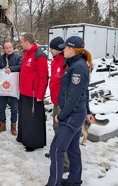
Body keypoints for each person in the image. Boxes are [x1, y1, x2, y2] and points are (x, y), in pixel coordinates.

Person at [46, 36, 95, 186]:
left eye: (65, 48)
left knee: (56, 150)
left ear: (72, 50)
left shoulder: (78, 68)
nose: (63, 50)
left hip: (71, 116)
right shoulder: (75, 64)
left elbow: (73, 98)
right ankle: (74, 180)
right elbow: (84, 91)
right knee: (73, 149)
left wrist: (61, 116)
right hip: (76, 114)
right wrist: (87, 111)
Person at [16, 32, 49, 152]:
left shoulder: (39, 55)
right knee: (24, 118)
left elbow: (44, 77)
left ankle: (32, 142)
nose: (20, 44)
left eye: (22, 42)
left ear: (27, 42)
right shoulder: (26, 54)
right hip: (24, 91)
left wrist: (41, 95)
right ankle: (23, 137)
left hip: (34, 94)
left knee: (32, 120)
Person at [46, 36, 70, 172]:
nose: (50, 50)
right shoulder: (55, 61)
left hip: (63, 103)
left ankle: (65, 162)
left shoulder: (65, 63)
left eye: (52, 48)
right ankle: (56, 152)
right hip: (56, 101)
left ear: (58, 49)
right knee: (56, 128)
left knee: (62, 131)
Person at [0, 41, 22, 136]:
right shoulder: (0, 58)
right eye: (7, 48)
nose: (9, 49)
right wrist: (1, 70)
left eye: (10, 47)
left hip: (13, 87)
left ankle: (13, 126)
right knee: (1, 107)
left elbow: (21, 67)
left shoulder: (18, 57)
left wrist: (11, 69)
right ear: (4, 49)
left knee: (14, 108)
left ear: (12, 48)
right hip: (2, 88)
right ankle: (2, 124)